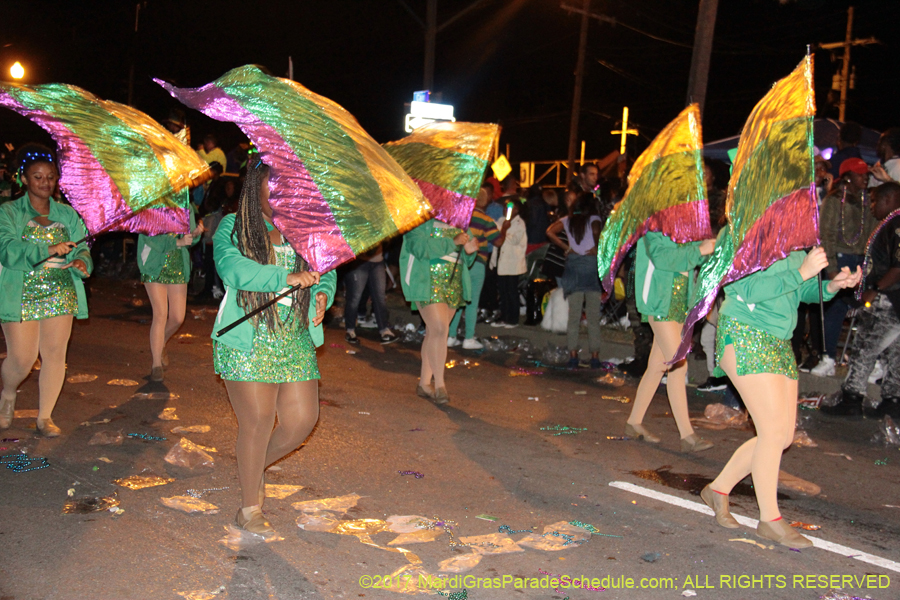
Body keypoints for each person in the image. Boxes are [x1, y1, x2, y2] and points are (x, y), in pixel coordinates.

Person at [700, 243, 860, 547]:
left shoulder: (794, 242)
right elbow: (745, 289)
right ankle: (769, 519)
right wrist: (803, 271)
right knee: (773, 433)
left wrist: (831, 285)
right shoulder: (751, 236)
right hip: (746, 334)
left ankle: (718, 489)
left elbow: (799, 291)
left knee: (782, 436)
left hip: (778, 340)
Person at [212, 157, 335, 534]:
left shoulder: (303, 230)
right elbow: (233, 269)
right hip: (247, 338)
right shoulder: (234, 227)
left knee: (301, 422)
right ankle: (250, 508)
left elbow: (326, 269)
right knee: (259, 421)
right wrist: (287, 276)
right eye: (273, 188)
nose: (282, 196)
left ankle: (251, 468)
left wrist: (322, 295)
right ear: (255, 189)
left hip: (293, 336)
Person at [0, 145, 92, 436]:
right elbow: (6, 249)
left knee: (54, 355)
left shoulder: (67, 214)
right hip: (21, 290)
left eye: (50, 177)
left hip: (59, 289)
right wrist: (47, 249)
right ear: (24, 179)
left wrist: (80, 260)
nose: (45, 182)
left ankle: (44, 417)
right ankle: (8, 392)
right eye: (37, 177)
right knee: (23, 358)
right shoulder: (9, 211)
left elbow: (83, 245)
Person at [624, 230, 716, 451]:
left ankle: (633, 422)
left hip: (678, 304)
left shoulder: (683, 227)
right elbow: (664, 259)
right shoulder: (653, 228)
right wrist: (700, 249)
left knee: (657, 367)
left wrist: (711, 246)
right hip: (659, 304)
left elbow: (695, 258)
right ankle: (687, 436)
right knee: (678, 364)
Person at [822, 182, 900, 419]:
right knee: (894, 351)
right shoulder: (890, 223)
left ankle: (852, 397)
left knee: (865, 346)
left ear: (889, 200)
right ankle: (893, 400)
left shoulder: (896, 224)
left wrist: (875, 289)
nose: (873, 206)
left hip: (889, 298)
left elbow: (899, 265)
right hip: (894, 299)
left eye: (875, 201)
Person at [808, 158, 876, 377]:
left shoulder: (869, 200)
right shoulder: (835, 199)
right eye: (860, 174)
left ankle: (866, 362)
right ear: (847, 176)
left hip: (860, 261)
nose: (865, 177)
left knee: (866, 309)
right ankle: (827, 358)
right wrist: (832, 267)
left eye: (866, 174)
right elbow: (825, 234)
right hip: (839, 258)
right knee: (834, 309)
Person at [400, 218, 478, 404]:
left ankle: (425, 384)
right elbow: (418, 247)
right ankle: (440, 385)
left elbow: (465, 258)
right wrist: (452, 242)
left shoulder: (460, 222)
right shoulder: (418, 219)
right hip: (426, 282)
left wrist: (469, 251)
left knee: (434, 333)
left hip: (453, 283)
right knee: (440, 330)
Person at [138, 211, 204, 382]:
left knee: (177, 318)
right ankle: (155, 365)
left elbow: (188, 240)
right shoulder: (150, 204)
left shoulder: (185, 204)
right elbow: (149, 236)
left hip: (178, 264)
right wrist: (177, 242)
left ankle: (161, 344)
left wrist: (195, 234)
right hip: (154, 264)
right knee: (160, 314)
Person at [546, 192, 603, 369]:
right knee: (593, 316)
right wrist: (596, 247)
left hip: (573, 266)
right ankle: (594, 356)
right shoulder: (594, 219)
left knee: (574, 315)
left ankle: (572, 355)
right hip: (591, 267)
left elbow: (549, 231)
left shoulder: (567, 220)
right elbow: (596, 233)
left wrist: (566, 247)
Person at [448, 184, 508, 349]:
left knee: (457, 300)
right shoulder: (486, 220)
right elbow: (498, 241)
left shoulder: (461, 218)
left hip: (460, 262)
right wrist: (505, 229)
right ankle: (468, 338)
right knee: (472, 302)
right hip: (477, 262)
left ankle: (451, 336)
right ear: (486, 201)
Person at [343, 244, 398, 346]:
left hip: (378, 261)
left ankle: (384, 330)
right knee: (355, 297)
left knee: (380, 296)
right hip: (359, 261)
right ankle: (350, 330)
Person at [493, 197, 527, 328]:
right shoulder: (501, 221)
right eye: (504, 207)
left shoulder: (519, 223)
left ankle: (513, 319)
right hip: (502, 262)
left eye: (508, 208)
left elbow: (514, 240)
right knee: (502, 291)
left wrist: (504, 230)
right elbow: (496, 239)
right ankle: (504, 317)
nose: (505, 210)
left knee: (511, 291)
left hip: (513, 263)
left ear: (516, 210)